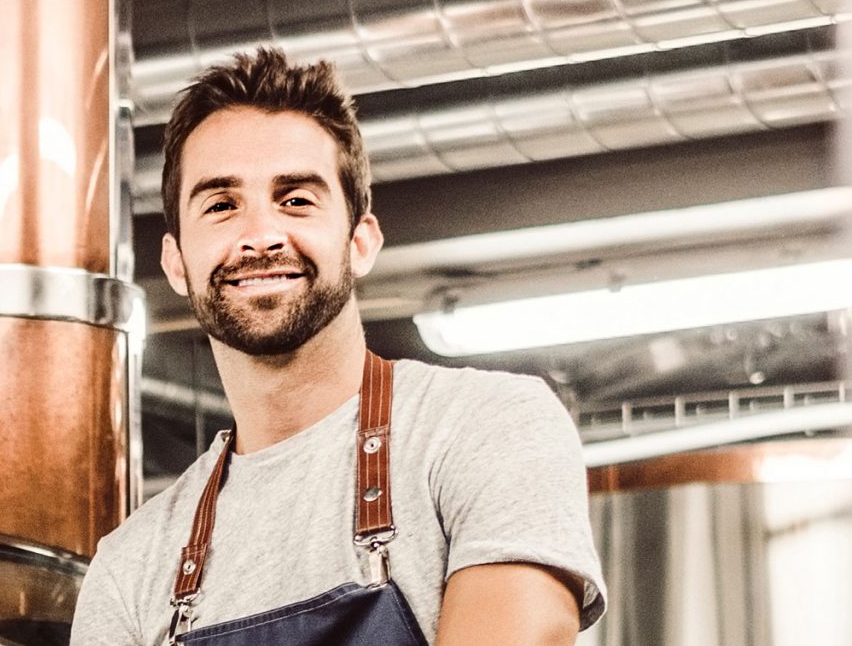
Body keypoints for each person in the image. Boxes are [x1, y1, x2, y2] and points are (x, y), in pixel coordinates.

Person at [69, 47, 605, 645]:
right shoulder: (131, 565)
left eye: (296, 199)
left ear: (360, 241)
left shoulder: (486, 426)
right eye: (221, 205)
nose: (260, 236)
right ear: (175, 262)